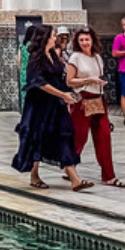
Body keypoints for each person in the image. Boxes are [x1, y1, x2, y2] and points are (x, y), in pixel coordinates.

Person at [12, 25, 92, 192]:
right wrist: (62, 95)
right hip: (39, 105)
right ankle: (34, 176)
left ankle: (75, 180)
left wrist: (68, 93)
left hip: (55, 104)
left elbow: (58, 78)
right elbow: (38, 82)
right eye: (53, 35)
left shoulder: (53, 55)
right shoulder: (36, 58)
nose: (56, 38)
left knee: (63, 136)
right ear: (46, 38)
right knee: (37, 137)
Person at [65, 27, 125, 187]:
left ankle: (109, 175)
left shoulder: (97, 57)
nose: (85, 43)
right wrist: (88, 80)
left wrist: (98, 82)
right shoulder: (75, 58)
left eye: (87, 39)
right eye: (81, 40)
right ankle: (69, 167)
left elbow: (98, 77)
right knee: (79, 137)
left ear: (92, 40)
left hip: (98, 99)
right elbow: (69, 81)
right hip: (82, 100)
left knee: (104, 136)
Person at [17, 23, 37, 111]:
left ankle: (25, 112)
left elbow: (19, 62)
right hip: (34, 73)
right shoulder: (36, 46)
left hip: (24, 73)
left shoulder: (22, 46)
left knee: (25, 94)